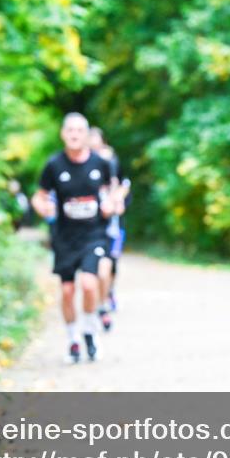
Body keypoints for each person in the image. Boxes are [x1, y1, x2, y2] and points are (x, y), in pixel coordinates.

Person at [31, 113, 123, 363]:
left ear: (86, 135)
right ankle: (73, 339)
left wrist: (112, 205)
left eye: (79, 130)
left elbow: (114, 192)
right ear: (63, 134)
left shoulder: (100, 164)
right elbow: (39, 196)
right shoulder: (54, 166)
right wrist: (43, 208)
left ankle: (90, 330)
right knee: (68, 291)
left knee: (90, 284)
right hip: (64, 237)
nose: (74, 134)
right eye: (69, 130)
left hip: (94, 234)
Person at [89, 126, 130, 331]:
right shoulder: (83, 162)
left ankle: (108, 293)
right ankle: (100, 304)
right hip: (91, 223)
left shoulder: (112, 158)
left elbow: (124, 183)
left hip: (112, 221)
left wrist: (118, 198)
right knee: (96, 266)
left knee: (112, 263)